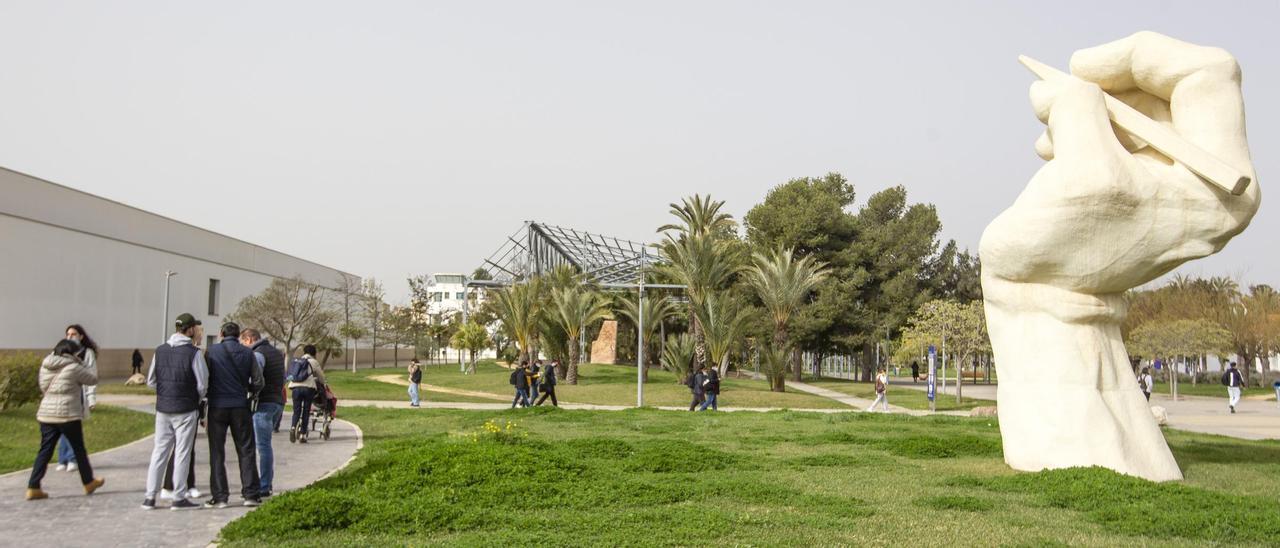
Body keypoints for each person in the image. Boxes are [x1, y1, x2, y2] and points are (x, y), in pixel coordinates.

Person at [141, 313, 208, 510]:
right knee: (182, 452)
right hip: (186, 409)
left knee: (159, 452)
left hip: (163, 408)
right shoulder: (194, 353)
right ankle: (179, 497)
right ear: (190, 330)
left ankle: (149, 496)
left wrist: (165, 393)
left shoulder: (160, 350)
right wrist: (194, 399)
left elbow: (151, 380)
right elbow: (202, 384)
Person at [26, 339, 104, 501]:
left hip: (46, 414)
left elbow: (42, 386)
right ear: (71, 353)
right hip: (68, 415)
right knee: (79, 450)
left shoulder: (45, 365)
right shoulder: (74, 367)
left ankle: (33, 486)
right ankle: (88, 482)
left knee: (45, 450)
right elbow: (92, 379)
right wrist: (82, 363)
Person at [204, 322, 264, 508]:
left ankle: (220, 496)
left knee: (217, 451)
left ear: (221, 333)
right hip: (240, 405)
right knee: (246, 449)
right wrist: (249, 391)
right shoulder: (248, 353)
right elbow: (259, 381)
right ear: (239, 336)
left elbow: (205, 378)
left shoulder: (211, 352)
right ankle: (250, 494)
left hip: (217, 406)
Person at [242, 328, 284, 498]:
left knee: (262, 446)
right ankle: (265, 483)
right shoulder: (276, 352)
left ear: (249, 339)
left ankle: (264, 486)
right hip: (277, 402)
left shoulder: (258, 354)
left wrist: (248, 391)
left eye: (243, 343)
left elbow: (256, 379)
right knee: (265, 445)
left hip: (263, 404)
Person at [54, 325, 98, 473]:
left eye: (74, 334)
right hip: (62, 395)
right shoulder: (60, 351)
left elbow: (92, 375)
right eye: (68, 334)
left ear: (81, 336)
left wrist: (91, 398)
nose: (70, 336)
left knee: (73, 428)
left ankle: (72, 459)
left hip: (78, 394)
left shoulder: (87, 353)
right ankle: (62, 460)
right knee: (63, 429)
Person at [287, 345, 325, 443]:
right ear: (314, 353)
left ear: (304, 352)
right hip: (308, 388)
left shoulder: (297, 361)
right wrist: (321, 382)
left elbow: (291, 375)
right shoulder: (314, 362)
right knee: (306, 411)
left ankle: (293, 427)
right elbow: (321, 378)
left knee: (296, 410)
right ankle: (303, 435)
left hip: (295, 388)